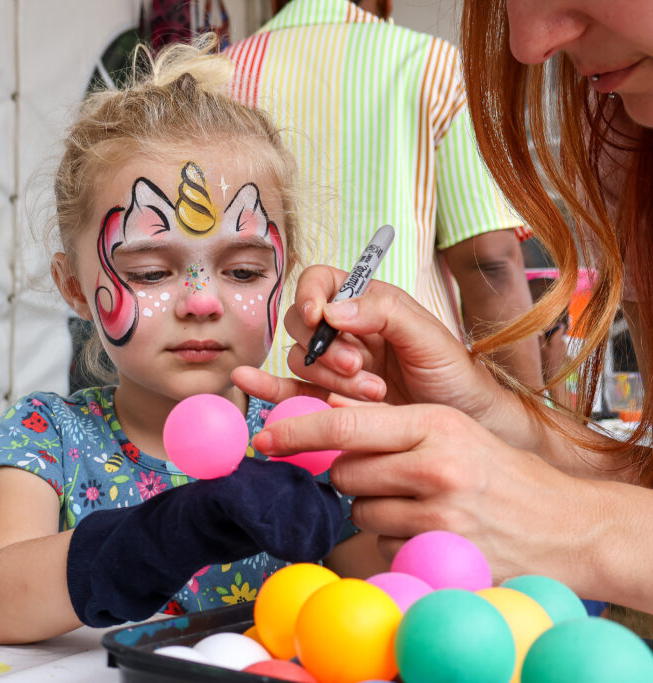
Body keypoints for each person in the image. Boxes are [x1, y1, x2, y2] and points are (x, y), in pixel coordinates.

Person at [232, 0, 653, 618]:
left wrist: (557, 509)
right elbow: (490, 264)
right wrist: (500, 419)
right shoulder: (627, 129)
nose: (527, 46)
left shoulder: (223, 70)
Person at [0, 37, 346, 645]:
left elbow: (386, 582)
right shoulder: (50, 433)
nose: (200, 301)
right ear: (75, 286)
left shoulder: (307, 436)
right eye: (148, 273)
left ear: (285, 273)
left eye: (243, 272)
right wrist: (174, 529)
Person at [226, 0, 544, 390]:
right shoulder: (431, 65)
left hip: (245, 400)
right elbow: (490, 264)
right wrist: (527, 426)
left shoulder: (216, 76)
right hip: (404, 399)